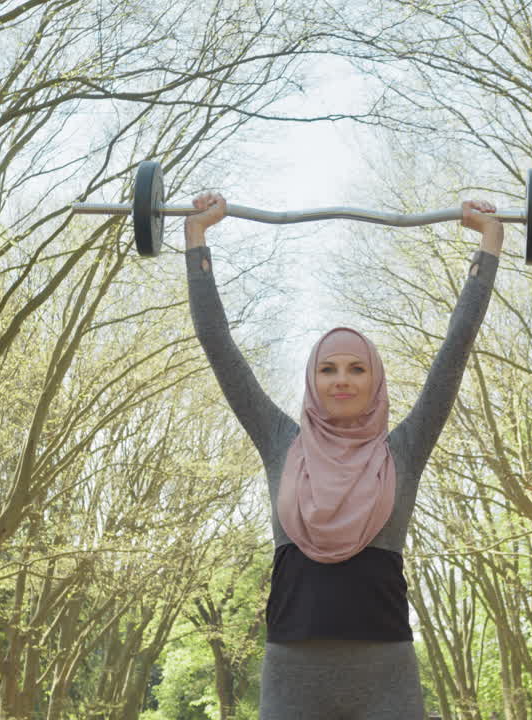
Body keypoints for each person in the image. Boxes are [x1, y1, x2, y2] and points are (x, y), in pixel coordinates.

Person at [184, 190, 501, 719]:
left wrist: (489, 245)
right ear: (312, 379)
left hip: (385, 672)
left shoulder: (403, 448)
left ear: (375, 378)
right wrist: (196, 241)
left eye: (357, 368)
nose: (342, 380)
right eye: (328, 368)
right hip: (291, 669)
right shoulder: (281, 442)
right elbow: (218, 344)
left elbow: (456, 346)